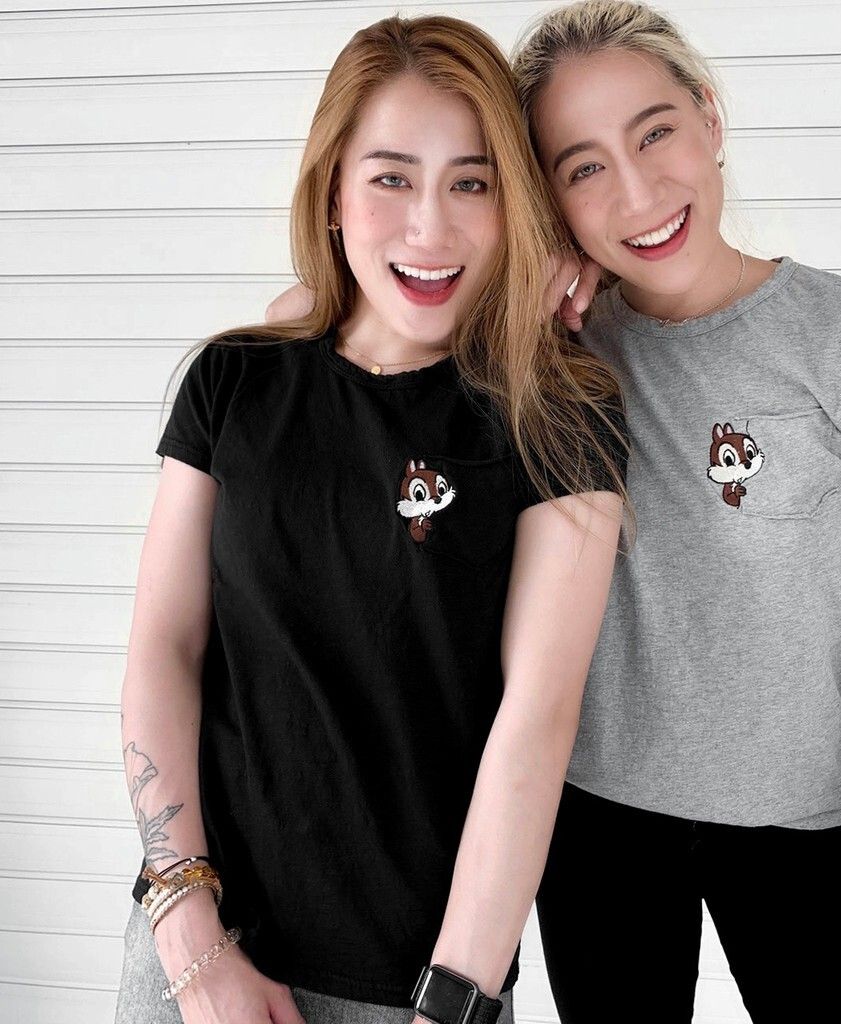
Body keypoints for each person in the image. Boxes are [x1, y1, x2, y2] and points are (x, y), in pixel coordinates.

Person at [268, 2, 841, 1021]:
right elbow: (310, 320)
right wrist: (523, 293)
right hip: (596, 827)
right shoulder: (544, 346)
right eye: (582, 167)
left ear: (710, 120)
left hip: (810, 822)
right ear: (544, 196)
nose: (636, 192)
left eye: (655, 133)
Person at [114, 13, 629, 1024]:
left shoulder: (556, 413)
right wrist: (189, 937)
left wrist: (453, 1000)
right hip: (197, 959)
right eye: (391, 178)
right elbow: (163, 649)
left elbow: (536, 721)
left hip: (420, 989)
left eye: (472, 183)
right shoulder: (234, 382)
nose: (430, 227)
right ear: (334, 194)